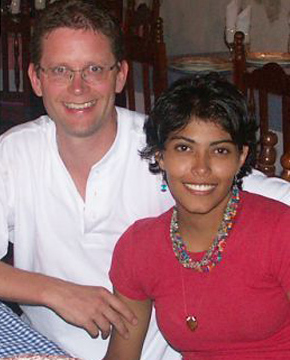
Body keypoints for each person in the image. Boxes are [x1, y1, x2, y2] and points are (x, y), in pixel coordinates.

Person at [0, 1, 289, 359]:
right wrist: (56, 292)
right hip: (44, 350)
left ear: (120, 75)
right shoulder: (16, 153)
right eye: (61, 70)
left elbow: (266, 198)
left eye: (94, 69)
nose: (78, 87)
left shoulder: (171, 151)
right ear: (36, 79)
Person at [104, 73, 290, 360]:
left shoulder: (280, 232)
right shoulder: (139, 248)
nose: (201, 168)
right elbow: (121, 356)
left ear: (240, 157)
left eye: (219, 150)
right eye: (184, 148)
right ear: (160, 155)